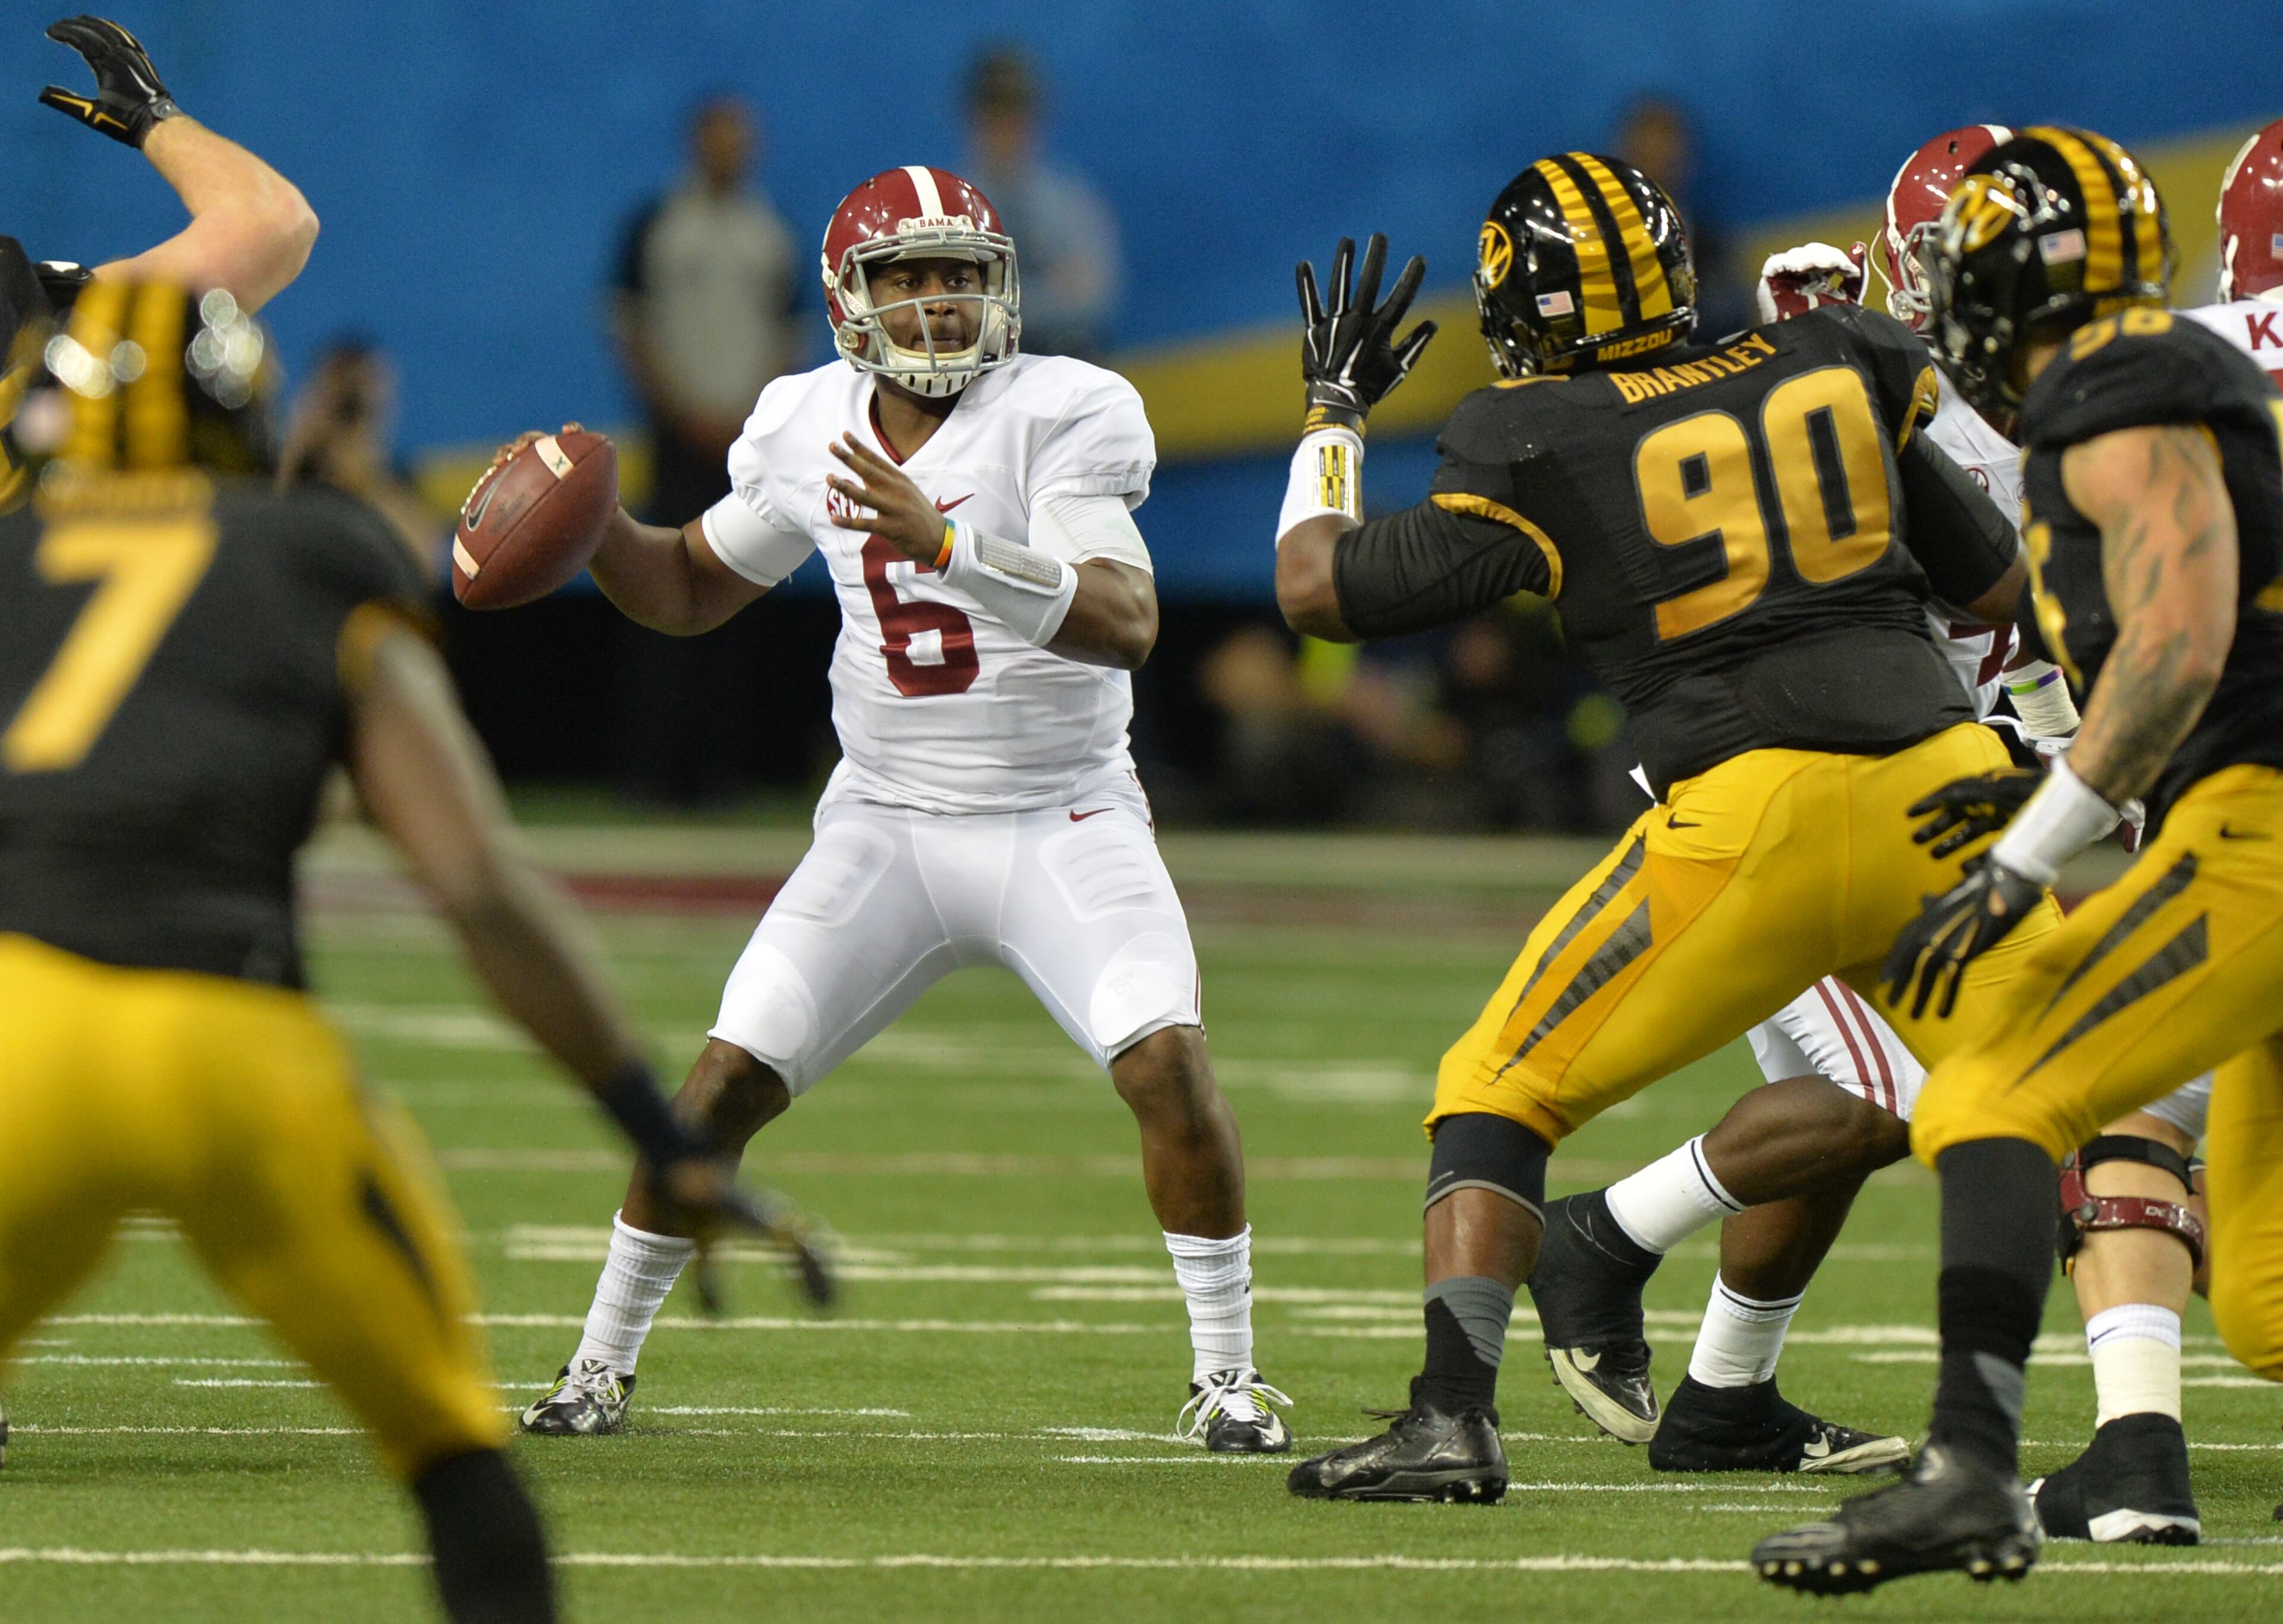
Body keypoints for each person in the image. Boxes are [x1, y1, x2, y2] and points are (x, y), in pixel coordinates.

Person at [1269, 154, 2054, 1506]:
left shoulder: (1529, 435)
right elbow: (1993, 581)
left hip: (1752, 805)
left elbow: (1316, 590)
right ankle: (1986, 1446)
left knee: (1495, 1086)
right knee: (2033, 1097)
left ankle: (1451, 1416)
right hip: (1949, 790)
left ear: (1522, 302)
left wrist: (1332, 415)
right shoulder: (1834, 356)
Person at [0, 281, 776, 1622]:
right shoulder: (318, 549)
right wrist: (659, 1128)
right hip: (232, 1050)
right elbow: (474, 876)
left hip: (19, 1038)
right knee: (459, 1464)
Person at [512, 165, 1292, 1453]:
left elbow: (1128, 621)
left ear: (1003, 287)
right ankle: (598, 1365)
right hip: (887, 818)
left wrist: (949, 546)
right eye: (906, 276)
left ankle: (1227, 1379)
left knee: (1166, 1059)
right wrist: (592, 528)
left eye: (959, 274)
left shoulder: (1064, 410)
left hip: (1063, 813)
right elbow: (692, 589)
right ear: (848, 298)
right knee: (718, 1082)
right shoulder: (802, 420)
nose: (935, 304)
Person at [1518, 127, 2095, 1481]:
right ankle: (1596, 1233)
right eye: (1979, 263)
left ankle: (1725, 1397)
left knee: (1825, 1120)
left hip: (1919, 796)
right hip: (1794, 789)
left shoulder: (2057, 402)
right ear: (1913, 270)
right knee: (1904, 1092)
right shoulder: (1848, 391)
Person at [1753, 125, 2283, 1594]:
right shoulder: (2140, 377)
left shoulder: (2124, 387)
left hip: (2258, 832)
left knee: (1994, 1081)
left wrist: (2017, 860)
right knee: (2261, 1302)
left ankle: (1969, 1474)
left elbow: (2175, 644)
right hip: (2223, 825)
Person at [609, 95, 805, 802]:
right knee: (663, 589)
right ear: (697, 143)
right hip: (677, 438)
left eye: (741, 138)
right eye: (720, 137)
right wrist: (680, 409)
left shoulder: (769, 233)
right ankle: (652, 770)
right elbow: (629, 326)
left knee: (739, 593)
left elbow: (791, 333)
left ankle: (719, 769)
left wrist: (753, 415)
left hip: (747, 445)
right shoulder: (659, 226)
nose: (732, 149)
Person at [23, 16, 317, 320]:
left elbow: (273, 222)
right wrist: (149, 117)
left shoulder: (26, 318)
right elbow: (273, 220)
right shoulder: (31, 321)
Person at [962, 46, 1120, 358]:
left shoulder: (1068, 202)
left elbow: (1094, 296)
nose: (1006, 128)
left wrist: (995, 302)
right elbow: (957, 308)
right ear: (974, 118)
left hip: (1063, 357)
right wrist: (1053, 290)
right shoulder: (950, 208)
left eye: (1015, 114)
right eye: (994, 113)